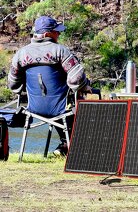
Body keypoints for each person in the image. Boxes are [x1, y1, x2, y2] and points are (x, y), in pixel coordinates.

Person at [8, 15, 92, 156]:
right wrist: (84, 86)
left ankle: (64, 146)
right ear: (47, 34)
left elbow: (12, 84)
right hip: (60, 108)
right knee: (73, 105)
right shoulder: (60, 51)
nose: (59, 34)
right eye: (56, 31)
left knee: (63, 108)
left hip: (34, 109)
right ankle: (71, 146)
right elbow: (76, 79)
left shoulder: (20, 54)